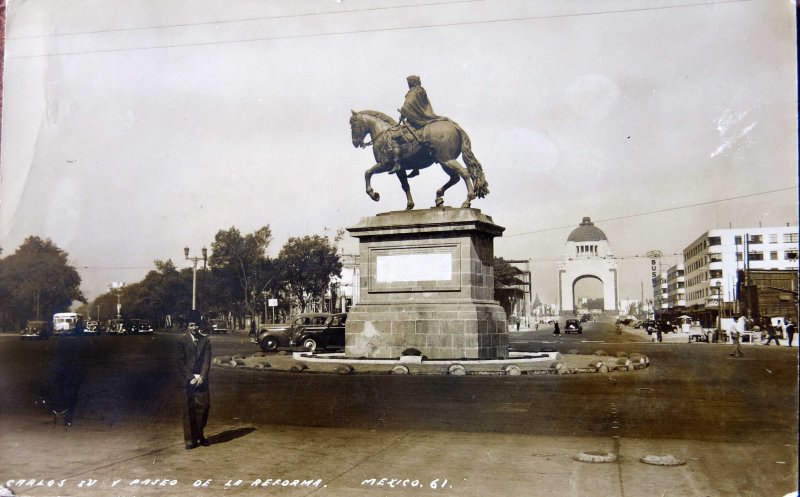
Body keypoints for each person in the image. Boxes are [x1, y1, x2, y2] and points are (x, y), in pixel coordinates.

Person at [177, 321, 212, 449]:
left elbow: (207, 361)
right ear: (187, 326)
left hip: (202, 379)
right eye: (191, 325)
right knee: (188, 409)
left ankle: (199, 435)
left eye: (196, 325)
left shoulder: (205, 341)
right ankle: (189, 440)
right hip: (187, 380)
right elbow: (180, 362)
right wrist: (190, 377)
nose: (194, 328)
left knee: (204, 406)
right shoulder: (182, 341)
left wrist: (202, 376)